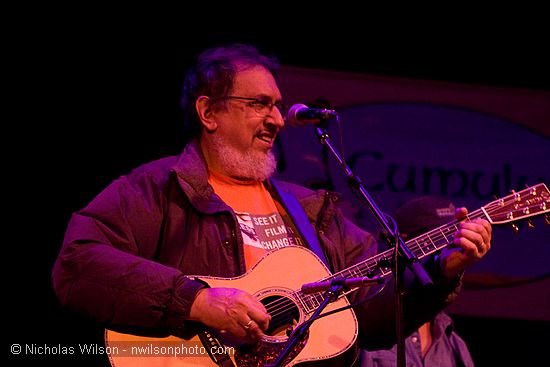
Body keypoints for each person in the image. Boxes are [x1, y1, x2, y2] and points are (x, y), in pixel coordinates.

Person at [52, 43, 492, 366]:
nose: (278, 119)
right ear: (209, 113)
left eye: (278, 106)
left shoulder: (312, 211)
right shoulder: (156, 188)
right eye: (259, 104)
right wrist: (197, 301)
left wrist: (440, 274)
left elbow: (370, 320)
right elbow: (78, 263)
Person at [360, 196, 476, 367]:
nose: (447, 254)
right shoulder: (369, 329)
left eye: (453, 243)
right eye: (437, 243)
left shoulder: (454, 344)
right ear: (402, 244)